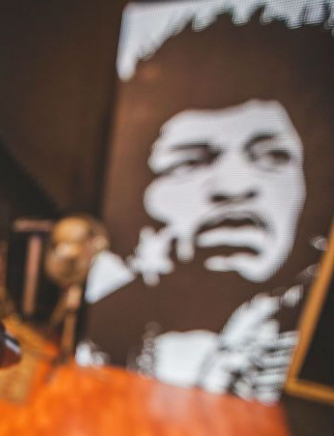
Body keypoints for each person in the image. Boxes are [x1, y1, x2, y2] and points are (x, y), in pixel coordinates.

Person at [81, 7, 334, 402]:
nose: (235, 187)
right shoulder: (105, 337)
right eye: (191, 162)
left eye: (271, 156)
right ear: (141, 197)